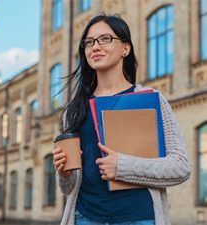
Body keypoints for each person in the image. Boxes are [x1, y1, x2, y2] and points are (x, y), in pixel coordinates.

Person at [52, 14, 191, 225]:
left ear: (125, 48)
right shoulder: (73, 110)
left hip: (139, 218)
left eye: (105, 39)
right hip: (85, 218)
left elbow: (180, 168)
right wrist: (64, 174)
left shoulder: (149, 99)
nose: (95, 47)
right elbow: (68, 188)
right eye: (89, 42)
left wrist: (123, 167)